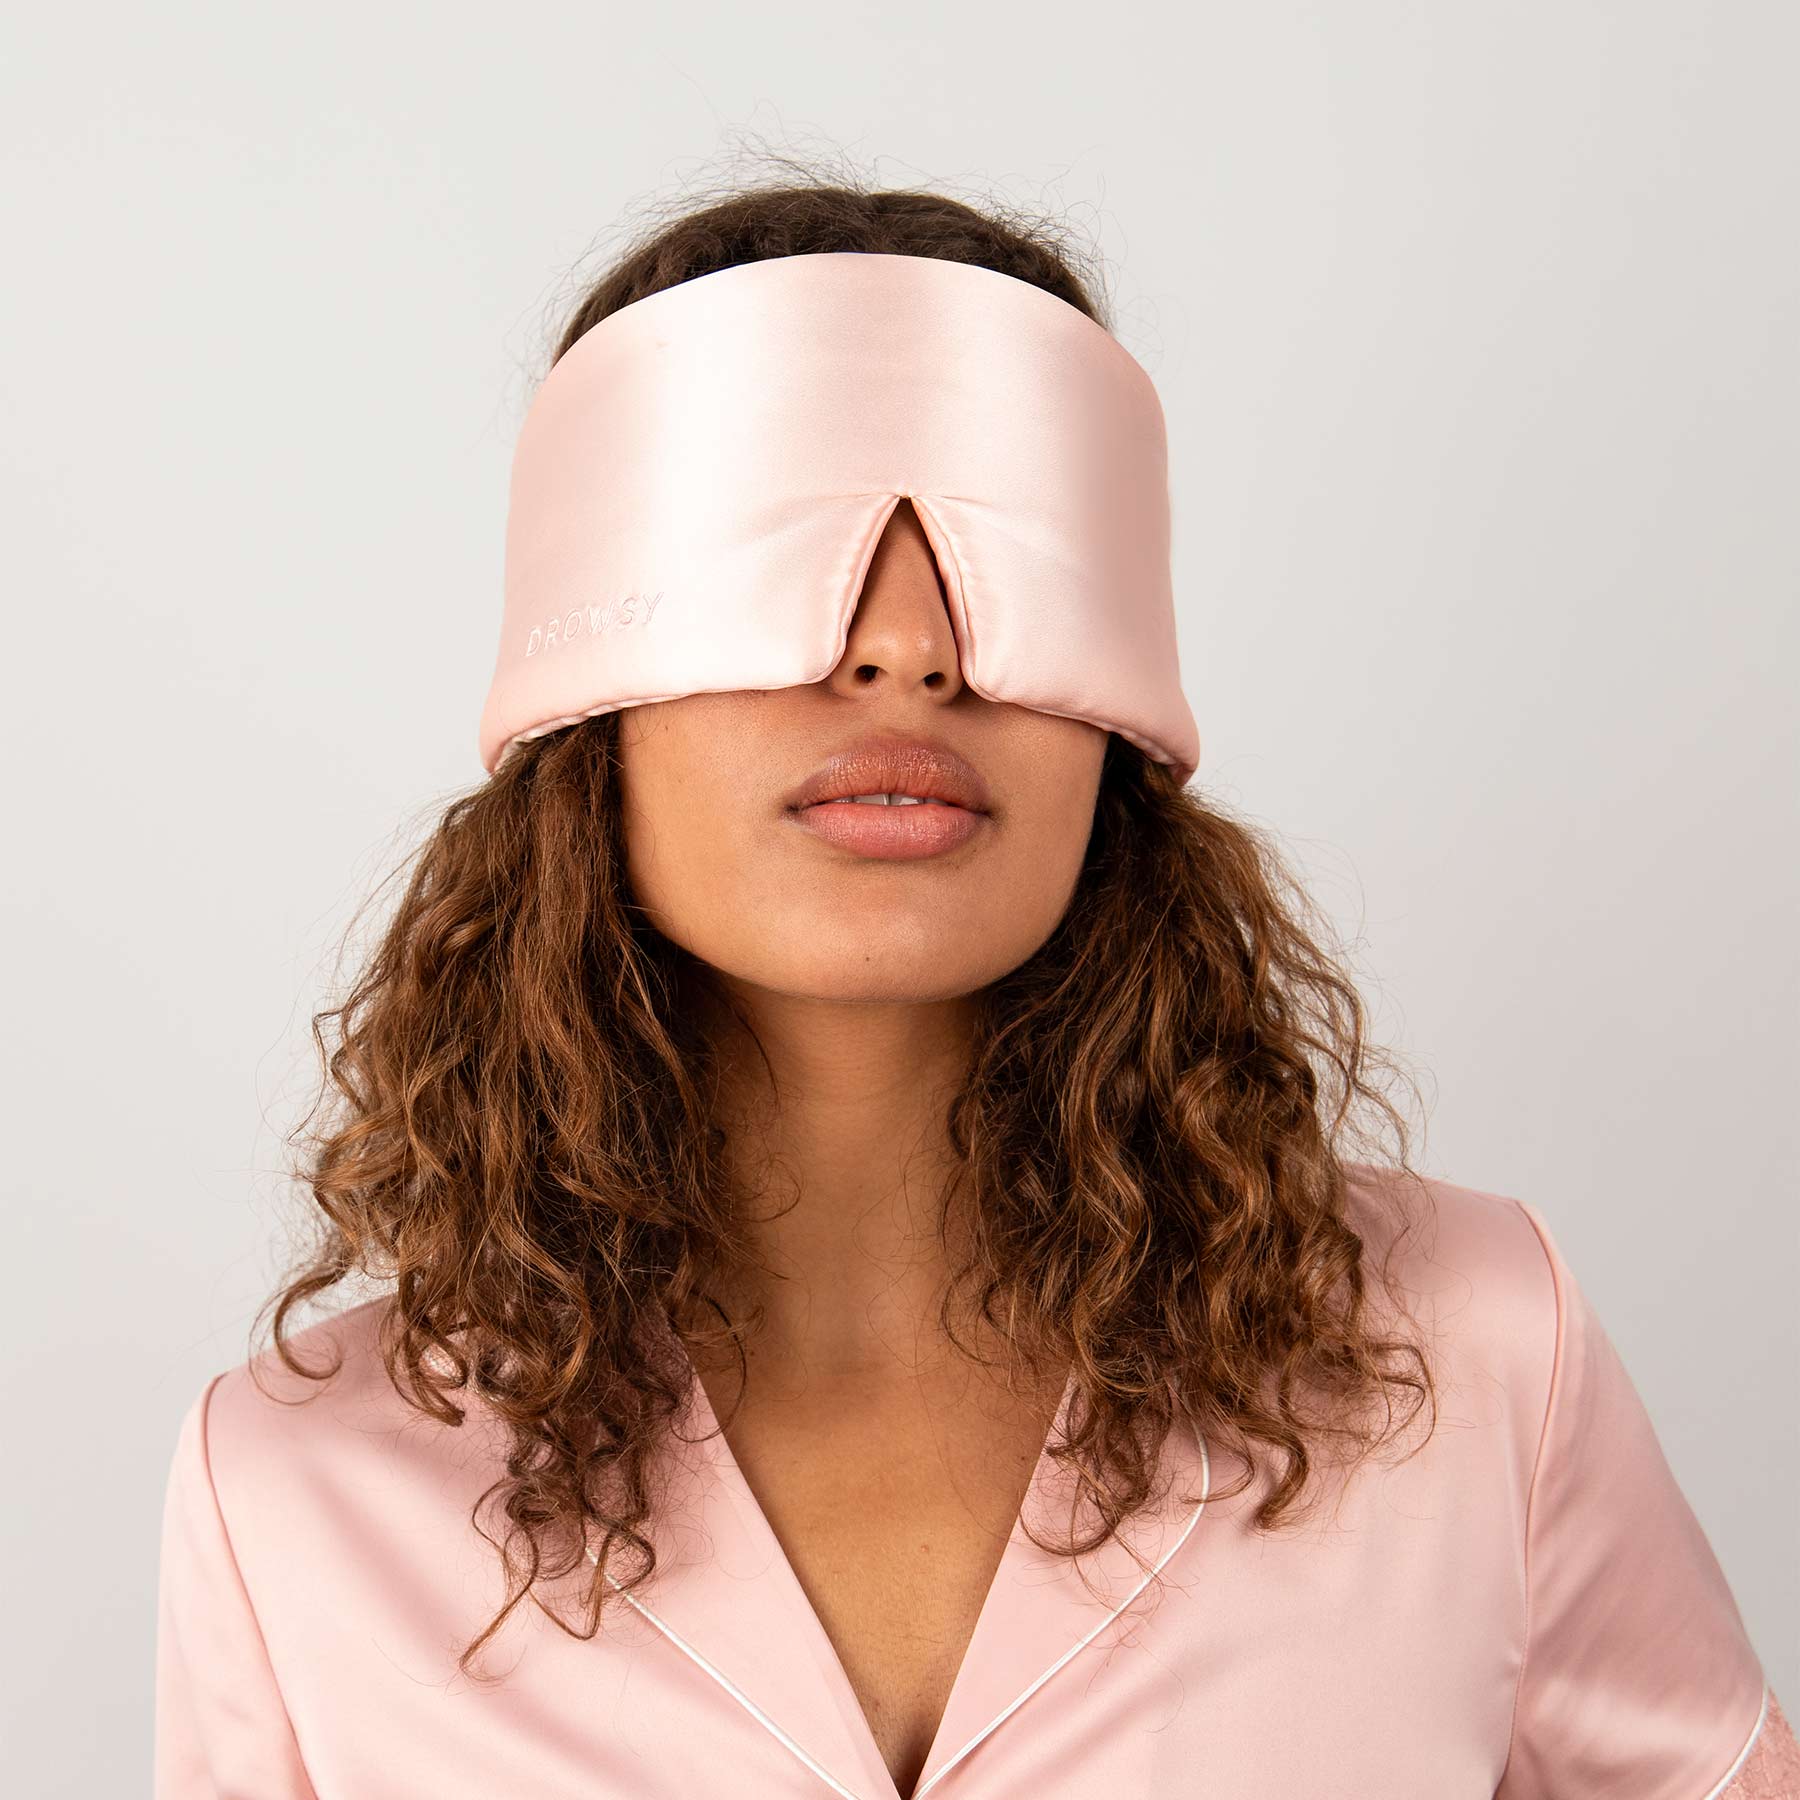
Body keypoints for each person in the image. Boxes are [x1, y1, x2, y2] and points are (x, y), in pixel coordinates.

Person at [153, 177, 1797, 1799]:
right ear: (586, 708)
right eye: (775, 543)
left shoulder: (1479, 1349)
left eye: (1008, 555)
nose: (908, 648)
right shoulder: (292, 1495)